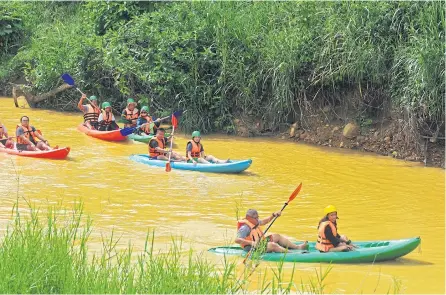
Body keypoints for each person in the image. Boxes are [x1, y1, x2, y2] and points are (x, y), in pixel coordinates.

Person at [235, 209, 308, 253]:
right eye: (256, 218)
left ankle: (297, 247)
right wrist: (252, 243)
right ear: (249, 218)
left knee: (277, 236)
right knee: (273, 245)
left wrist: (273, 215)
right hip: (250, 247)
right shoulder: (244, 228)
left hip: (260, 243)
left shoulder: (254, 222)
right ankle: (291, 254)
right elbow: (237, 240)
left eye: (258, 217)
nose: (257, 219)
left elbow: (264, 221)